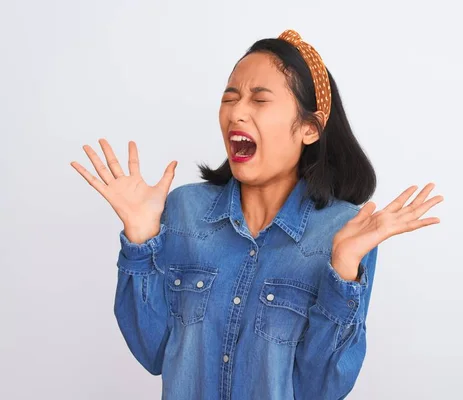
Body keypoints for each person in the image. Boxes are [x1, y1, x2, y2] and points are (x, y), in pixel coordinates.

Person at [70, 29, 443, 400]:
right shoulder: (183, 211)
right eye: (229, 98)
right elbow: (154, 352)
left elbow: (321, 388)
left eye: (259, 100)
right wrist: (139, 239)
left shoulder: (346, 232)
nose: (236, 113)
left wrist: (343, 266)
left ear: (309, 128)